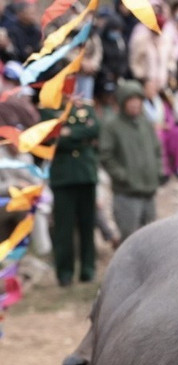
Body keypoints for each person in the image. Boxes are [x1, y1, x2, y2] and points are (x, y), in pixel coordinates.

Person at [42, 100, 100, 286]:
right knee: (64, 228)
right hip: (63, 177)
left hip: (86, 174)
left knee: (87, 225)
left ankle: (88, 269)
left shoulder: (85, 107)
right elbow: (53, 137)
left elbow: (95, 130)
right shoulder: (49, 110)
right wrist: (81, 136)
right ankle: (64, 272)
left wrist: (69, 132)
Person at [99, 80, 162, 243]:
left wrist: (157, 170)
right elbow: (105, 155)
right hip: (126, 194)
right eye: (130, 100)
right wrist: (122, 175)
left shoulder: (145, 123)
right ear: (122, 102)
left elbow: (156, 150)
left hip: (149, 191)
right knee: (130, 241)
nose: (135, 104)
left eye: (138, 100)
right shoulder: (112, 125)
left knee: (152, 240)